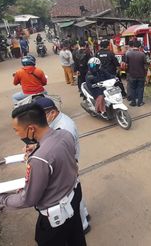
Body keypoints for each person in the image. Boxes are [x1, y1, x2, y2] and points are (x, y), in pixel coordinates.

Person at [0, 103, 87, 246]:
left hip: (55, 217)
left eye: (17, 130)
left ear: (31, 128)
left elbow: (28, 199)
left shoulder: (39, 159)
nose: (17, 134)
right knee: (76, 239)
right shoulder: (64, 134)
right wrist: (38, 146)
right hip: (74, 197)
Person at [33, 97, 91, 233]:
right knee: (74, 193)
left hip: (68, 163)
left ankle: (83, 225)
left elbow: (63, 152)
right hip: (67, 163)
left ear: (52, 113)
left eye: (40, 117)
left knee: (70, 195)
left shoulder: (64, 128)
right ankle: (84, 215)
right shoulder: (56, 122)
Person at [125, 40, 148, 107]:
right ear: (140, 46)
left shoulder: (128, 54)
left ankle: (133, 102)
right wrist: (145, 73)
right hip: (141, 74)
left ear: (133, 46)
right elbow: (146, 65)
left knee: (132, 88)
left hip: (131, 74)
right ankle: (140, 102)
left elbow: (126, 64)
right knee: (140, 88)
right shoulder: (142, 54)